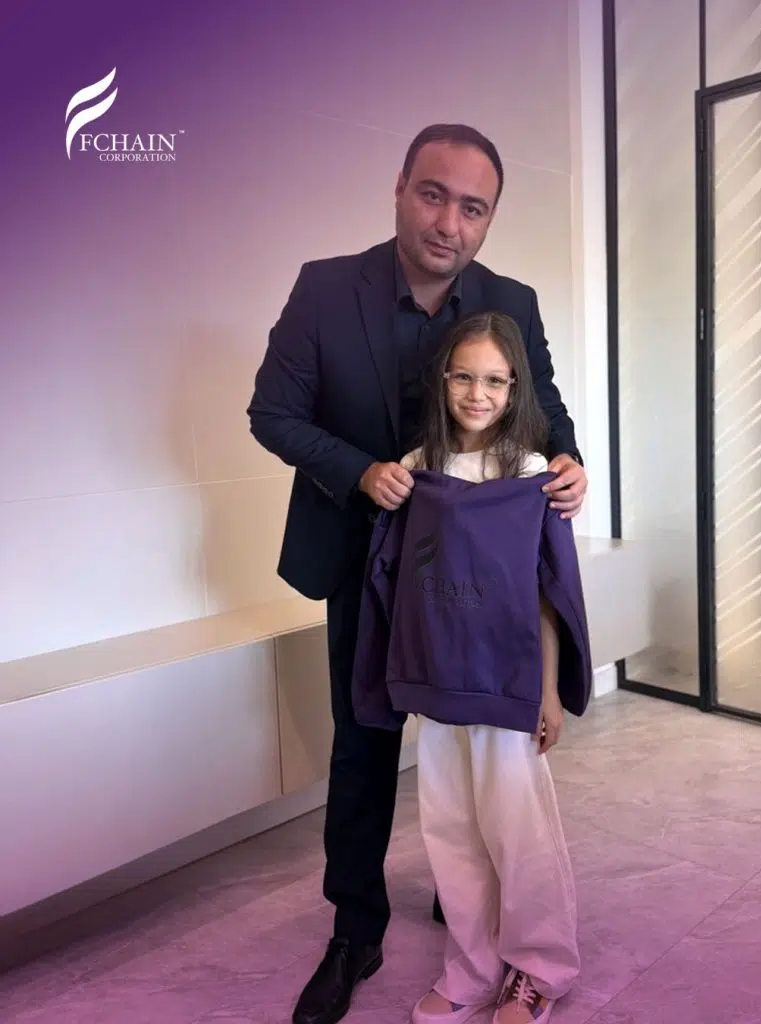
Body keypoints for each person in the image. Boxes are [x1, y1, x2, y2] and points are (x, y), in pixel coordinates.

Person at [247, 123, 588, 1024]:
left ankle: (471, 914)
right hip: (363, 556)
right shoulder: (325, 288)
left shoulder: (509, 299)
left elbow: (542, 404)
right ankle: (354, 931)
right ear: (400, 187)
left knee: (476, 757)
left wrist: (570, 461)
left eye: (472, 208)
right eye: (433, 195)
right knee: (364, 748)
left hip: (476, 578)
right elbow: (271, 413)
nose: (449, 222)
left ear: (489, 219)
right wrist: (361, 472)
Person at [390, 311, 585, 1024]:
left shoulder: (530, 474)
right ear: (442, 380)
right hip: (442, 684)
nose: (478, 394)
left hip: (505, 683)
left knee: (518, 830)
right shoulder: (419, 469)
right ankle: (471, 966)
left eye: (495, 381)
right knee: (451, 831)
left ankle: (539, 968)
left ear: (514, 389)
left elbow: (546, 590)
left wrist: (546, 691)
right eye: (464, 377)